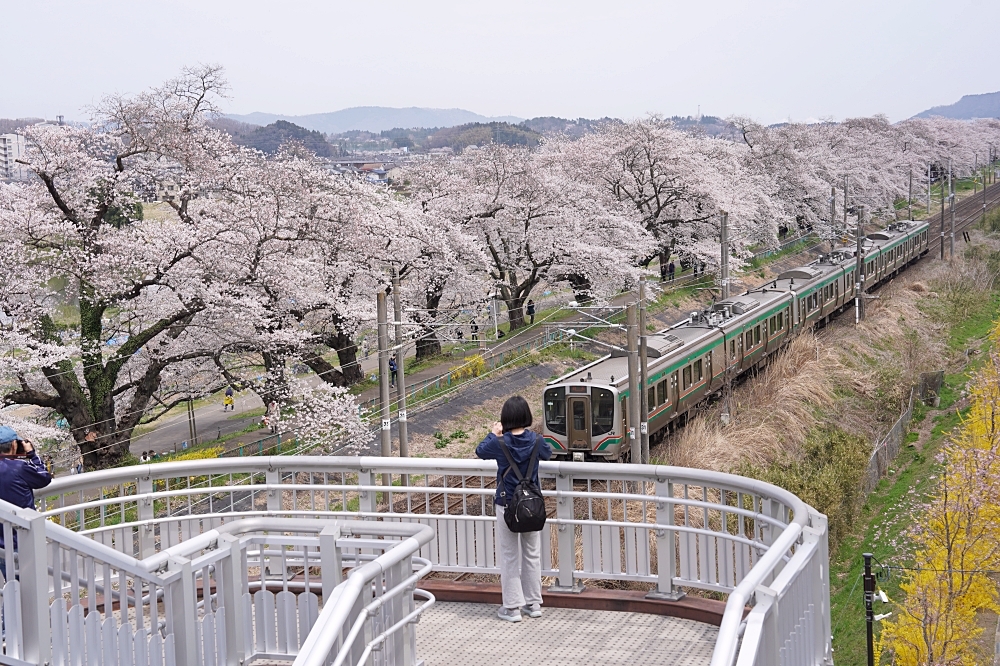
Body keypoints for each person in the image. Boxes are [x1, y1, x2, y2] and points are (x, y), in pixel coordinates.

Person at [475, 396, 552, 623]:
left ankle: (512, 608)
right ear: (527, 416)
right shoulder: (537, 441)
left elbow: (480, 451)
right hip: (531, 506)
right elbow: (547, 453)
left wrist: (494, 433)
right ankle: (534, 603)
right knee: (532, 554)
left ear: (505, 418)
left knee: (510, 556)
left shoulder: (500, 443)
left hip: (507, 505)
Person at [0, 426, 53, 579]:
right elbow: (44, 477)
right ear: (14, 445)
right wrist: (32, 454)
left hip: (1, 544)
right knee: (25, 587)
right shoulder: (19, 467)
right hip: (21, 538)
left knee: (11, 584)